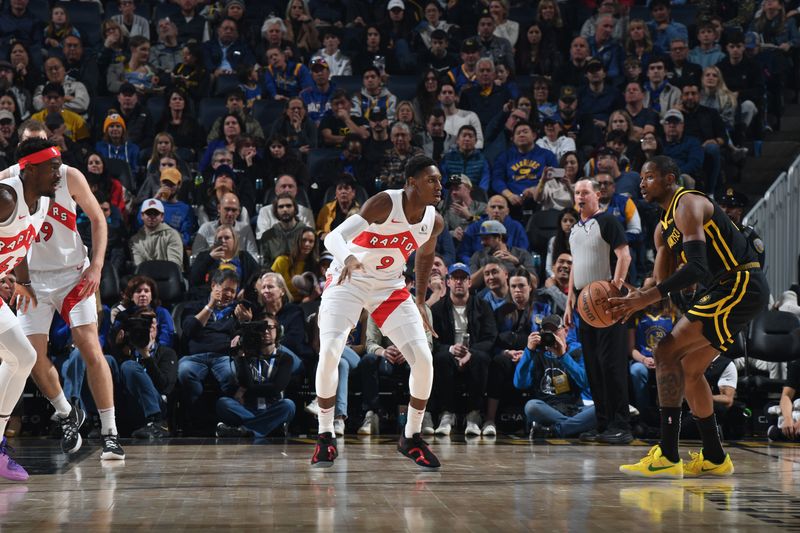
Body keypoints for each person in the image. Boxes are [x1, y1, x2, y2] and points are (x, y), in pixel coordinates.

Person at [611, 155, 769, 478]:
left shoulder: (688, 203)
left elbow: (696, 268)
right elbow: (659, 281)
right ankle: (714, 456)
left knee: (665, 350)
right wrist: (629, 298)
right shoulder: (662, 229)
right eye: (641, 178)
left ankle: (668, 454)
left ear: (670, 179)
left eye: (649, 176)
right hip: (725, 289)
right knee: (689, 370)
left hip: (739, 282)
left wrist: (650, 296)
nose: (642, 183)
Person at [310, 155, 444, 469]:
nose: (439, 186)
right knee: (330, 351)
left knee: (423, 360)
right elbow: (333, 237)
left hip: (389, 287)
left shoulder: (433, 221)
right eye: (431, 180)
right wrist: (349, 260)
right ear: (412, 183)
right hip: (349, 279)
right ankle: (326, 435)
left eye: (439, 180)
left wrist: (421, 300)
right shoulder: (385, 203)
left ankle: (410, 437)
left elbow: (424, 258)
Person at [2, 130, 125, 463]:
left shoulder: (69, 176)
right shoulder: (9, 185)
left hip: (73, 274)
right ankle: (68, 412)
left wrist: (97, 267)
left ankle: (110, 432)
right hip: (34, 281)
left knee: (88, 345)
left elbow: (98, 219)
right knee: (29, 356)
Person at [0, 137, 59, 480]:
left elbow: (21, 245)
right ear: (30, 169)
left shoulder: (44, 204)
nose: (58, 173)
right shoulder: (6, 197)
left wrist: (26, 283)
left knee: (23, 357)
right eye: (52, 167)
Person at [563, 178, 632, 444]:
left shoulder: (608, 221)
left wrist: (615, 288)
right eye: (577, 192)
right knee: (593, 365)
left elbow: (624, 256)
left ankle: (622, 425)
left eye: (585, 192)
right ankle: (603, 424)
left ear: (597, 195)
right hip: (583, 303)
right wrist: (570, 302)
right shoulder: (574, 230)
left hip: (606, 301)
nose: (580, 197)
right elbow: (576, 268)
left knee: (611, 363)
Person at [430, 262, 497, 437]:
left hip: (474, 353)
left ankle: (473, 415)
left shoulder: (483, 306)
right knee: (441, 358)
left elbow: (490, 337)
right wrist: (451, 349)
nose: (458, 282)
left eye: (463, 278)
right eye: (454, 278)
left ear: (469, 282)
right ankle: (447, 414)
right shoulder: (437, 309)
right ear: (448, 282)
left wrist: (470, 352)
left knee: (481, 359)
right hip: (449, 353)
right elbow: (432, 341)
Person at [215, 313, 296, 439]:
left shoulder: (285, 358)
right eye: (261, 328)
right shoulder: (246, 356)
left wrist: (247, 389)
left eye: (270, 327)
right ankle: (269, 427)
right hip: (248, 407)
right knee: (223, 403)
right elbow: (245, 381)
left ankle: (243, 430)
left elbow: (276, 388)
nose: (266, 331)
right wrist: (241, 356)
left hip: (272, 408)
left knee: (289, 405)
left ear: (278, 330)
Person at [515, 315, 594, 438]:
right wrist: (528, 351)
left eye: (555, 331)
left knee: (601, 409)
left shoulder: (576, 351)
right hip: (547, 409)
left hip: (574, 409)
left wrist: (563, 356)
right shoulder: (535, 353)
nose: (551, 335)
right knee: (531, 406)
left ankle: (556, 430)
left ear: (566, 331)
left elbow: (585, 382)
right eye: (547, 332)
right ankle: (576, 427)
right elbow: (520, 383)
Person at [130, 198, 184, 269]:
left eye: (156, 213)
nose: (152, 217)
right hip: (145, 277)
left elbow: (175, 265)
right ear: (142, 216)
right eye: (148, 213)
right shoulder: (135, 240)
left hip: (169, 277)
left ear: (162, 217)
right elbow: (139, 267)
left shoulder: (172, 235)